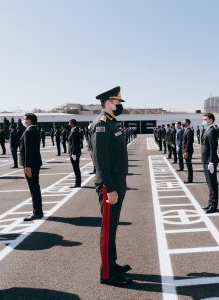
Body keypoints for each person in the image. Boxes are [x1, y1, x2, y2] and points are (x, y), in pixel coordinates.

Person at [90, 86, 133, 286]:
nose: (119, 106)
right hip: (110, 184)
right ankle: (107, 274)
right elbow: (101, 160)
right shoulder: (101, 124)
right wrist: (111, 188)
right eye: (117, 103)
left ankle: (112, 263)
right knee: (108, 228)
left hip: (116, 181)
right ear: (108, 102)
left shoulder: (111, 123)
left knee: (112, 226)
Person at [20, 113, 43, 221]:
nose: (23, 121)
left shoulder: (29, 131)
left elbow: (28, 150)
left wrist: (27, 166)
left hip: (31, 164)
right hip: (35, 163)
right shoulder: (35, 130)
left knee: (34, 188)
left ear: (29, 120)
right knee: (35, 187)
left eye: (25, 119)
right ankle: (38, 211)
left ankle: (37, 212)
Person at [201, 113, 219, 214]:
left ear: (211, 120)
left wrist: (211, 161)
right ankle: (210, 203)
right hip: (205, 160)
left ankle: (213, 205)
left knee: (213, 184)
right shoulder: (206, 130)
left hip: (210, 161)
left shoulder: (212, 131)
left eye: (205, 119)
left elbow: (213, 148)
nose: (203, 121)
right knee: (209, 184)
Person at [68, 119, 82, 188]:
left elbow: (74, 144)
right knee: (76, 168)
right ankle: (78, 183)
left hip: (74, 153)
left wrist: (73, 154)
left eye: (70, 123)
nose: (69, 125)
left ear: (72, 124)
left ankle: (77, 183)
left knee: (76, 168)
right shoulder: (75, 131)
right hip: (75, 153)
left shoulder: (74, 132)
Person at [182, 119, 194, 183]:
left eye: (184, 122)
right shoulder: (186, 130)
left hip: (188, 151)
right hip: (186, 150)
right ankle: (189, 179)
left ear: (187, 123)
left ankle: (190, 179)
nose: (183, 123)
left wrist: (186, 151)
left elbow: (189, 142)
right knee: (188, 165)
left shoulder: (189, 131)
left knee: (189, 165)